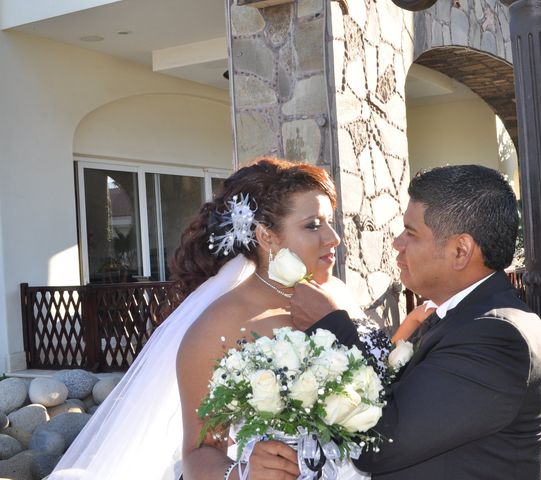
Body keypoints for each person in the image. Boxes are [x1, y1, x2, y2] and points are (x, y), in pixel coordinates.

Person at [51, 157, 394, 479]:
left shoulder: (335, 293)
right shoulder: (217, 326)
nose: (332, 238)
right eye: (313, 225)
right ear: (266, 236)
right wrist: (241, 473)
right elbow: (199, 451)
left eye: (330, 223)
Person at [262, 164, 541, 480]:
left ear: (460, 251)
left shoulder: (497, 336)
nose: (397, 243)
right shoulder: (462, 316)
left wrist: (331, 326)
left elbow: (378, 444)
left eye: (411, 232)